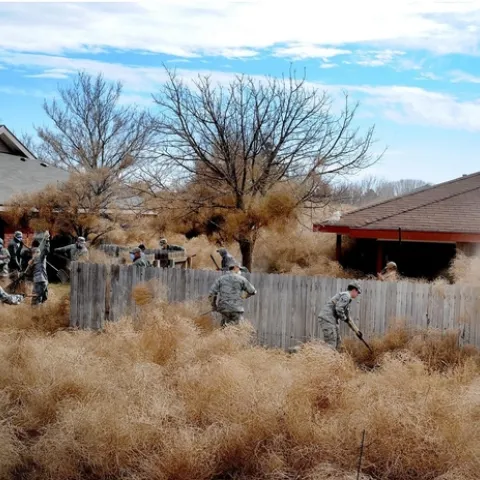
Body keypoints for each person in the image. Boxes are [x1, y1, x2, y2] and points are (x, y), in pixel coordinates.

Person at [318, 280, 363, 351]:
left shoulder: (347, 299)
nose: (358, 294)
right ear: (354, 290)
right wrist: (344, 318)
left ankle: (336, 360)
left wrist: (357, 331)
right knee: (331, 345)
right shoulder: (346, 296)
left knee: (338, 343)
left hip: (332, 321)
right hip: (327, 319)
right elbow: (339, 308)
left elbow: (348, 319)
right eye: (358, 292)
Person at [208, 260, 257, 326]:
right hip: (236, 309)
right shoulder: (242, 279)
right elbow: (253, 291)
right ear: (235, 267)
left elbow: (211, 293)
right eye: (239, 269)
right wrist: (245, 296)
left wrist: (214, 306)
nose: (240, 271)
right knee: (236, 329)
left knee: (224, 329)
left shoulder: (221, 279)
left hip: (224, 308)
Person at [25, 231, 50, 305]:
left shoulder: (40, 255)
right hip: (43, 281)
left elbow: (46, 250)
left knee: (35, 302)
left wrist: (47, 240)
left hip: (39, 280)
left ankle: (36, 315)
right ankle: (42, 315)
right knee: (42, 300)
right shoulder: (34, 258)